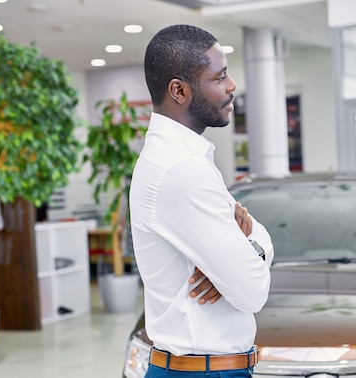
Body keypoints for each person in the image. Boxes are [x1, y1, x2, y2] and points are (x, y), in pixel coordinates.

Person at [130, 24, 274, 378]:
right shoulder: (182, 170)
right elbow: (253, 291)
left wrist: (244, 252)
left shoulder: (181, 160)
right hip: (201, 371)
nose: (231, 86)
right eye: (219, 77)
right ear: (179, 90)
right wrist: (241, 262)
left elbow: (258, 241)